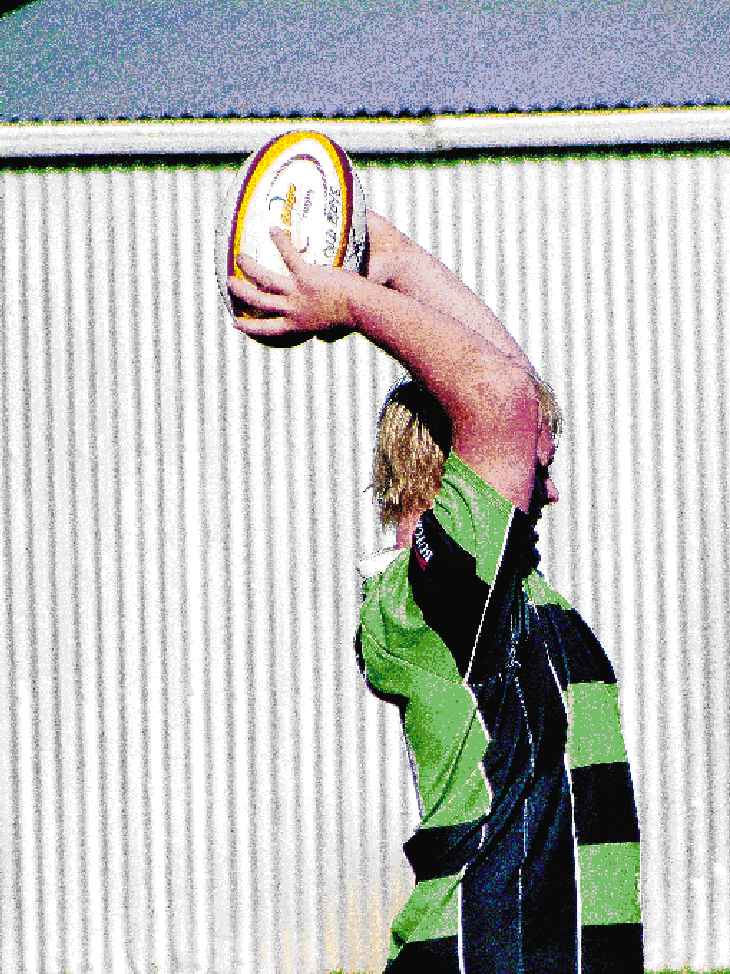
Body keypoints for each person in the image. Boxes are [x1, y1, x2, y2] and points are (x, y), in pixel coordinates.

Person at [228, 216, 644, 972]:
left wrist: (386, 257)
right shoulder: (438, 597)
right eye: (535, 471)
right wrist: (353, 306)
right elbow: (502, 398)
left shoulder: (492, 584)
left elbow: (519, 394)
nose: (548, 491)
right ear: (452, 475)